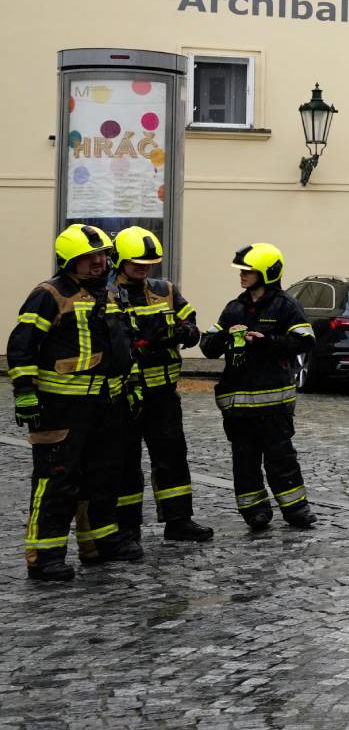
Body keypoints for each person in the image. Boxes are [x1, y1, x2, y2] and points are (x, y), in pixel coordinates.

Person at [8, 224, 142, 580]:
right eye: (88, 257)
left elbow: (122, 345)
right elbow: (22, 346)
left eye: (102, 255)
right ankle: (44, 556)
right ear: (69, 260)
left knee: (103, 477)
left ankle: (98, 544)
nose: (98, 262)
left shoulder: (110, 294)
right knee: (57, 480)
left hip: (107, 404)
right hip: (62, 408)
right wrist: (25, 391)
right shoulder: (49, 294)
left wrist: (132, 384)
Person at [199, 244, 317, 532]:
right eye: (241, 270)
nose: (242, 275)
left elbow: (305, 340)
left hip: (273, 404)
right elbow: (208, 347)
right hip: (238, 406)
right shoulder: (234, 308)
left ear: (266, 273)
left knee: (281, 458)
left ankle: (296, 510)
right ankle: (254, 512)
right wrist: (225, 338)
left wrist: (269, 342)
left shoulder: (286, 306)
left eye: (248, 271)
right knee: (244, 461)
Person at [108, 226, 213, 544]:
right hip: (126, 396)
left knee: (172, 457)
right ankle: (127, 528)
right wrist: (143, 339)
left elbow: (191, 327)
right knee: (125, 463)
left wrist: (179, 333)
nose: (144, 268)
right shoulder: (108, 295)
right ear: (120, 260)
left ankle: (179, 521)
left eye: (149, 263)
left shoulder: (166, 290)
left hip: (164, 395)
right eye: (137, 263)